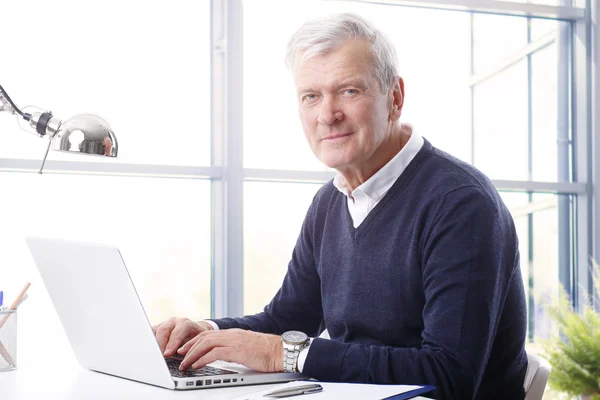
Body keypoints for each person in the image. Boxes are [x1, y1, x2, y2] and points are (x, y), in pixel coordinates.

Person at [152, 13, 528, 400]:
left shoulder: (460, 203)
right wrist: (207, 332)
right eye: (311, 96)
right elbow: (287, 320)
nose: (327, 115)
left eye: (348, 91)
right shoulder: (329, 202)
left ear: (394, 98)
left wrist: (284, 354)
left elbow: (449, 374)